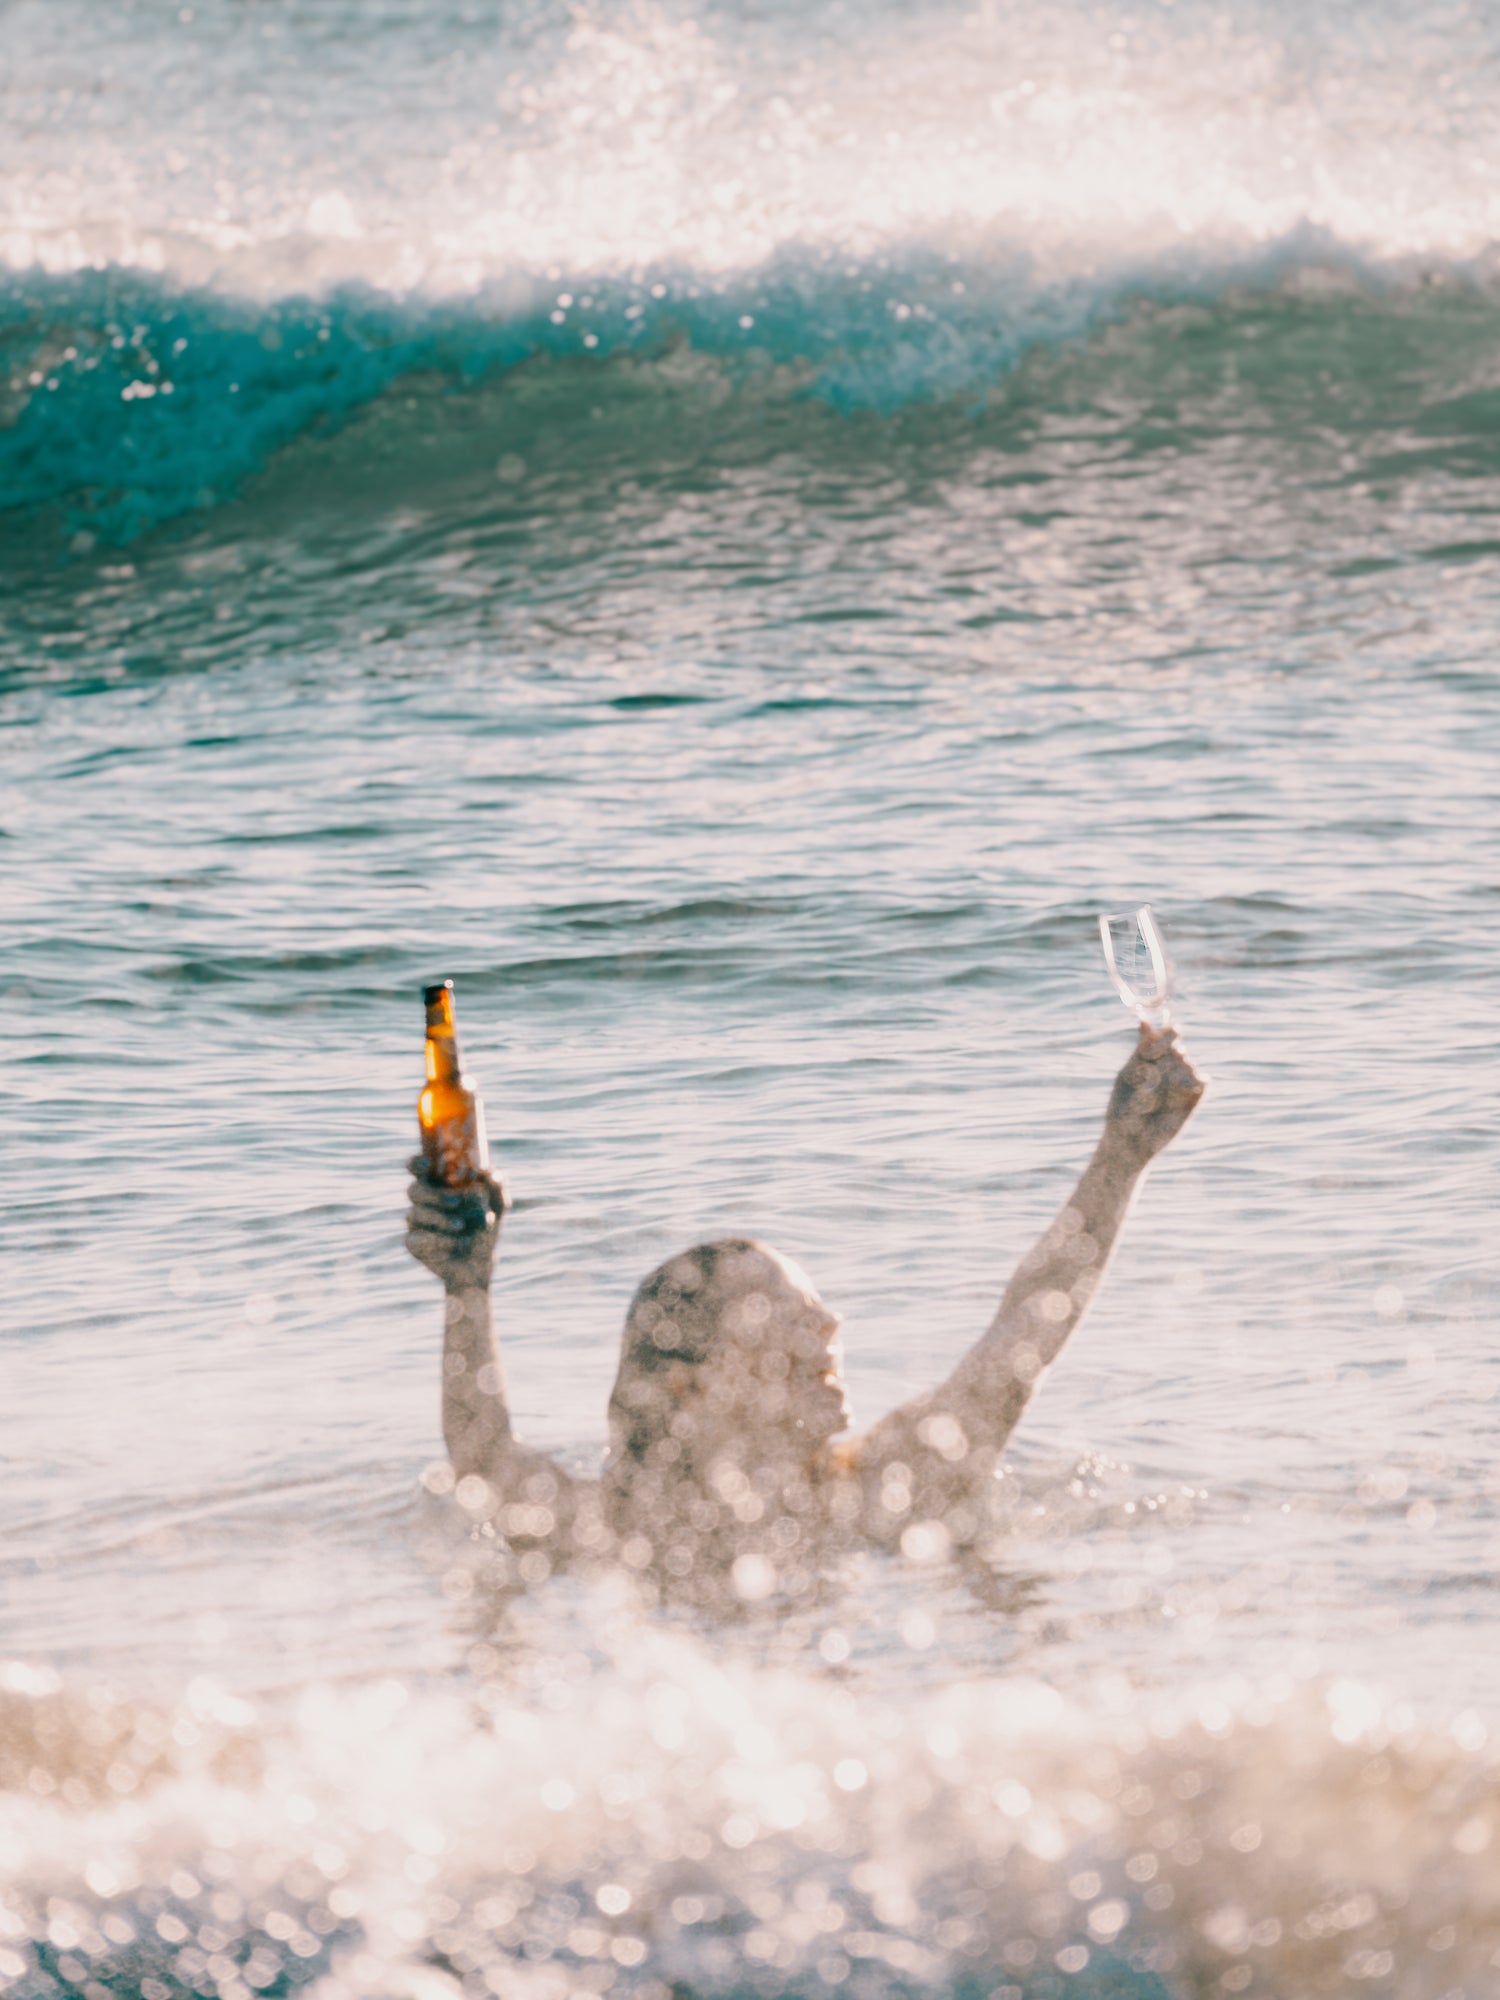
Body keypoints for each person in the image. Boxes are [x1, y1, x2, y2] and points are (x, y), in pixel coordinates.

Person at [404, 1025, 1204, 1597]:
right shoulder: (617, 1523)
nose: (828, 1330)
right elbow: (484, 1457)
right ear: (685, 1385)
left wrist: (1121, 1156)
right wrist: (466, 1287)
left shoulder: (879, 1489)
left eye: (819, 1311)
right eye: (779, 1315)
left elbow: (1028, 1328)